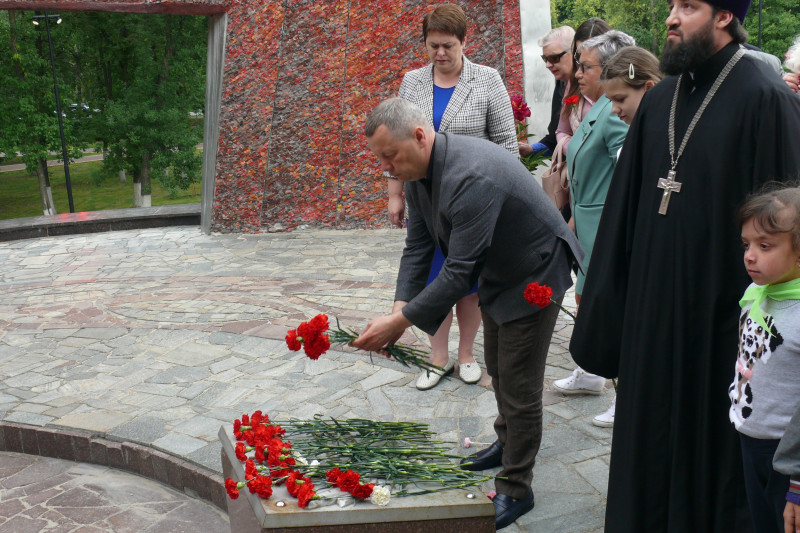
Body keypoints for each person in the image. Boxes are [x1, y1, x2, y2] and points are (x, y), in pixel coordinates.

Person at [568, 0, 800, 529]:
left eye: (688, 6)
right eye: (671, 6)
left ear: (723, 16)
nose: (671, 18)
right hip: (653, 321)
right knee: (648, 454)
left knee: (711, 469)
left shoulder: (766, 99)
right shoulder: (661, 100)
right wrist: (609, 309)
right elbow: (624, 215)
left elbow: (789, 232)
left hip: (721, 326)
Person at [354, 97, 583, 530]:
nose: (385, 168)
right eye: (379, 158)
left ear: (420, 136)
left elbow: (458, 273)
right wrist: (398, 310)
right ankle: (506, 443)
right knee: (496, 363)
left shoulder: (470, 176)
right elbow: (418, 247)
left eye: (389, 155)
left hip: (533, 271)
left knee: (518, 382)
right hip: (498, 268)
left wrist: (399, 324)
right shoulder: (419, 171)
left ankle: (518, 486)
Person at [386, 3, 517, 391]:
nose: (440, 53)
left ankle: (467, 354)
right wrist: (395, 193)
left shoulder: (487, 79)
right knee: (433, 276)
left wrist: (503, 198)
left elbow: (506, 144)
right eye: (433, 45)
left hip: (474, 200)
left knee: (470, 278)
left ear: (464, 40)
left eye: (448, 45)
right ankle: (437, 356)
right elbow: (394, 142)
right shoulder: (412, 82)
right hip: (425, 199)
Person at [729, 184, 800, 533]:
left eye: (765, 246)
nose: (750, 255)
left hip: (788, 456)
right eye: (747, 244)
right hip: (752, 440)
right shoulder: (756, 292)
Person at [518, 26, 575, 157]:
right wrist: (532, 150)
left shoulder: (591, 87)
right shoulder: (562, 83)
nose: (548, 65)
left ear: (573, 52)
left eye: (554, 58)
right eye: (545, 59)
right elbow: (554, 138)